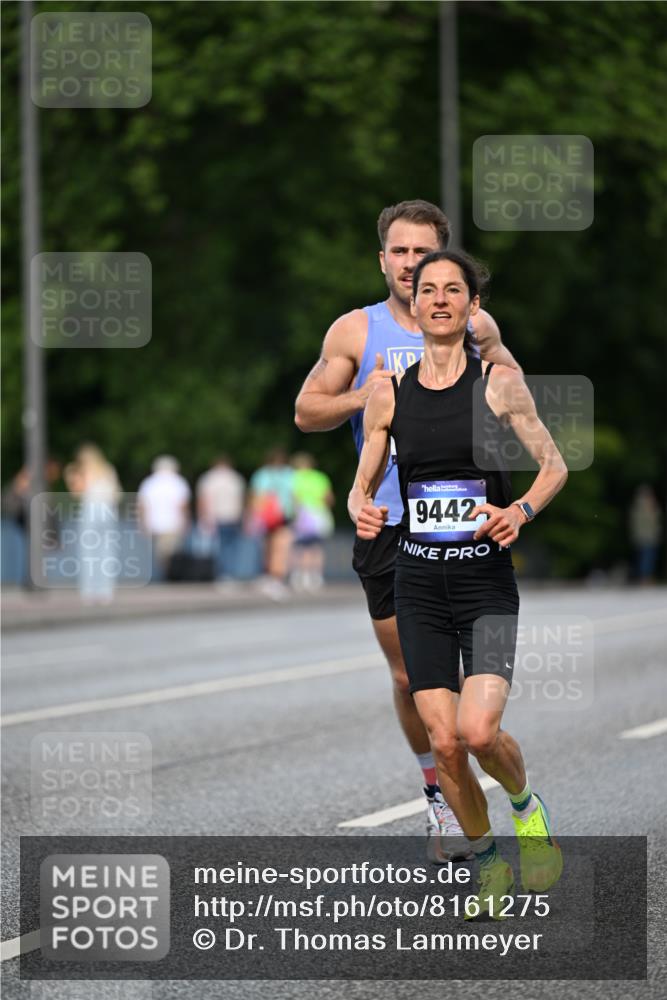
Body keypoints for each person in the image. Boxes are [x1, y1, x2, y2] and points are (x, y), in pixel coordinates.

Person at [295, 199, 520, 860]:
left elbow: (511, 384)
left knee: (466, 708)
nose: (410, 263)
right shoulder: (355, 333)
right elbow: (307, 411)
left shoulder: (474, 323)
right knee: (409, 681)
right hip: (388, 525)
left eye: (423, 252)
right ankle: (438, 799)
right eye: (399, 251)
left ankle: (490, 784)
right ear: (382, 259)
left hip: (463, 524)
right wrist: (371, 396)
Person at [348, 249, 568, 917]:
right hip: (417, 581)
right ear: (412, 306)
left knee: (477, 732)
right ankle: (488, 863)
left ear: (473, 307)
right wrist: (359, 504)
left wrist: (518, 510)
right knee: (442, 741)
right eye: (426, 290)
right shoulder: (387, 389)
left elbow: (553, 466)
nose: (439, 299)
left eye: (454, 290)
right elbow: (365, 476)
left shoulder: (497, 383)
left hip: (483, 584)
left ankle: (527, 814)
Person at [64, 444, 122, 604]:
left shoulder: (82, 471)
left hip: (91, 509)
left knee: (88, 553)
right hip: (108, 510)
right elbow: (117, 493)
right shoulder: (107, 469)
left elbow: (76, 493)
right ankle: (106, 591)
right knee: (107, 552)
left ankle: (89, 592)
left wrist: (70, 476)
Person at [248, 448, 295, 600]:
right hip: (284, 514)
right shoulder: (289, 474)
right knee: (280, 548)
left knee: (267, 548)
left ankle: (269, 576)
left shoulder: (262, 475)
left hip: (266, 516)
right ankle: (277, 578)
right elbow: (295, 496)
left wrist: (253, 515)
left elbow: (256, 496)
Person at [138, 456, 191, 581]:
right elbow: (183, 505)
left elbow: (142, 506)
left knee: (160, 554)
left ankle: (164, 577)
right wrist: (186, 521)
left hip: (154, 524)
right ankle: (170, 577)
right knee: (171, 554)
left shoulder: (149, 483)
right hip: (173, 523)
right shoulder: (178, 482)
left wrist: (142, 523)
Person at [290, 452, 335, 592]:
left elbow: (292, 498)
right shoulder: (320, 477)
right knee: (316, 548)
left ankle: (299, 575)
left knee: (300, 548)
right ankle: (315, 576)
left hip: (302, 515)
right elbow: (329, 498)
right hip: (319, 515)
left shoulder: (294, 477)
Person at [196, 456, 246, 580]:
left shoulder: (208, 478)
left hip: (214, 517)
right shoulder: (235, 478)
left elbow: (203, 500)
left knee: (217, 548)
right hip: (232, 517)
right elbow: (241, 500)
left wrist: (202, 517)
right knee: (231, 548)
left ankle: (220, 573)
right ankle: (228, 573)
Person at [629, 484, 662, 583]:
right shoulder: (643, 507)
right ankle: (644, 578)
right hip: (646, 537)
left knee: (646, 557)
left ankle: (645, 577)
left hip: (647, 536)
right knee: (646, 558)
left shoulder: (639, 507)